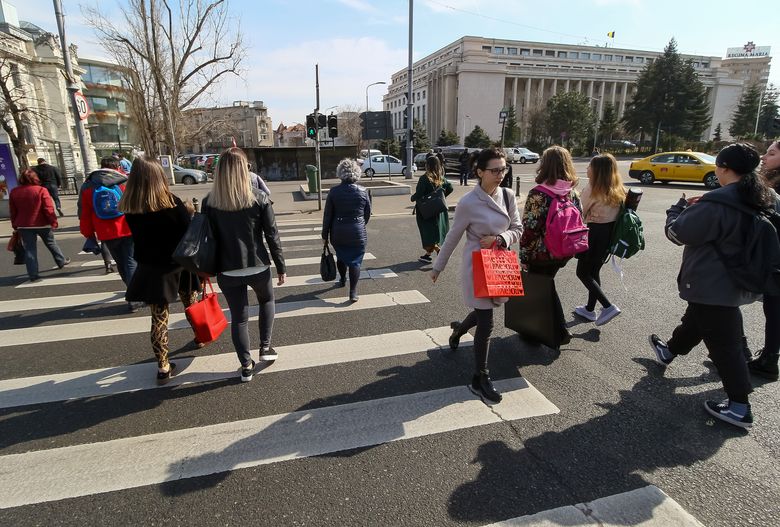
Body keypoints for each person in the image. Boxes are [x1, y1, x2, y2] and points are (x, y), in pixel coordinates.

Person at [649, 143, 779, 429]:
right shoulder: (765, 196)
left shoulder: (718, 203)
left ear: (723, 169)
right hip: (742, 278)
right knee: (698, 318)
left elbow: (679, 233)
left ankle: (738, 407)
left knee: (726, 346)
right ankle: (668, 351)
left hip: (712, 282)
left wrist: (676, 212)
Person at [431, 147, 522, 404]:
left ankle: (459, 330)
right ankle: (480, 378)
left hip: (500, 263)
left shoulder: (507, 195)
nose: (500, 174)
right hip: (477, 267)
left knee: (486, 311)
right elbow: (452, 236)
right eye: (494, 170)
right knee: (487, 320)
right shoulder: (468, 203)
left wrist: (501, 238)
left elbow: (518, 227)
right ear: (480, 172)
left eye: (503, 169)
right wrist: (438, 266)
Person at [203, 147, 286, 383]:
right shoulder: (259, 198)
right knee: (266, 301)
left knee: (239, 318)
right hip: (258, 265)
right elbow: (272, 235)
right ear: (244, 170)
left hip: (227, 269)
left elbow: (207, 239)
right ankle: (266, 348)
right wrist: (280, 266)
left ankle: (246, 366)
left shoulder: (210, 202)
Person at [119, 157, 201, 381]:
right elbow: (189, 233)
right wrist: (190, 211)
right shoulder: (172, 202)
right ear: (159, 176)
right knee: (191, 302)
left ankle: (163, 365)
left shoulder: (130, 205)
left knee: (159, 318)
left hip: (152, 267)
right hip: (178, 264)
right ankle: (200, 335)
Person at [518, 146, 582, 350]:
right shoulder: (572, 192)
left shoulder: (539, 194)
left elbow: (529, 228)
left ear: (545, 165)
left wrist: (524, 255)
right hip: (564, 250)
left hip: (540, 252)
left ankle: (558, 331)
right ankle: (537, 331)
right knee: (545, 285)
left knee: (541, 289)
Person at [79, 158, 140, 312]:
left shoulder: (88, 186)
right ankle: (135, 297)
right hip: (127, 228)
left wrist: (88, 234)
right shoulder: (123, 181)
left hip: (105, 232)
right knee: (131, 262)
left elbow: (84, 213)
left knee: (120, 263)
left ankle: (132, 292)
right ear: (117, 166)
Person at [574, 154, 626, 325]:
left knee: (582, 272)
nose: (587, 169)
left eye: (590, 166)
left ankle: (608, 306)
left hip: (593, 232)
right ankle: (590, 309)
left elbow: (579, 211)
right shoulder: (617, 189)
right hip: (608, 233)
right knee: (594, 271)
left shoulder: (592, 189)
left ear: (598, 171)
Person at [746, 140, 780, 381]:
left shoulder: (774, 188)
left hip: (774, 257)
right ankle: (768, 357)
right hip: (771, 255)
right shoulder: (768, 181)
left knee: (775, 308)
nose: (764, 157)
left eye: (771, 153)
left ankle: (768, 360)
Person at [322, 158, 372, 302]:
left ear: (340, 173)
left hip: (339, 231)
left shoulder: (333, 192)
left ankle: (343, 279)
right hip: (357, 232)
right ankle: (353, 292)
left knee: (341, 256)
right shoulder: (363, 191)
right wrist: (361, 224)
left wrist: (325, 234)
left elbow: (328, 215)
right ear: (357, 172)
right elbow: (367, 213)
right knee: (355, 262)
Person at [9, 169, 70, 282]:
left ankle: (33, 274)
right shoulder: (41, 190)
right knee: (51, 243)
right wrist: (53, 221)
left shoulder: (14, 192)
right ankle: (61, 261)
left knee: (30, 249)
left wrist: (15, 224)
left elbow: (13, 211)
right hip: (42, 223)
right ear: (35, 178)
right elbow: (48, 208)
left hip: (24, 225)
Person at [411, 156, 453, 262]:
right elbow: (450, 187)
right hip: (439, 209)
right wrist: (441, 197)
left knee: (428, 231)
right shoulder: (441, 178)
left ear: (427, 165)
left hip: (427, 210)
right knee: (437, 231)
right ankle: (428, 254)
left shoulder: (424, 178)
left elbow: (419, 193)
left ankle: (439, 251)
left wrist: (413, 197)